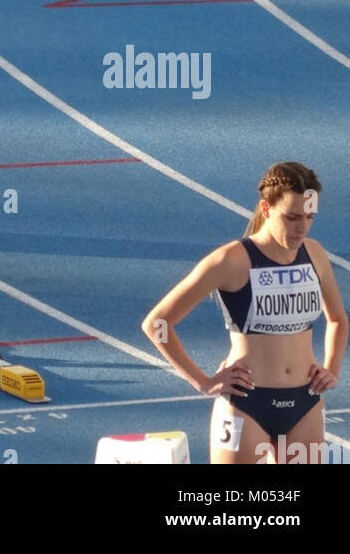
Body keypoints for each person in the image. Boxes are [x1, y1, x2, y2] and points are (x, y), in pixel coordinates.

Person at [142, 162, 346, 464]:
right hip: (248, 405)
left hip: (305, 405)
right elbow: (157, 323)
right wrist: (202, 381)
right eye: (291, 217)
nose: (301, 227)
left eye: (309, 217)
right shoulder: (231, 260)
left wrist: (332, 368)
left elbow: (338, 320)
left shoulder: (315, 254)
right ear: (266, 208)